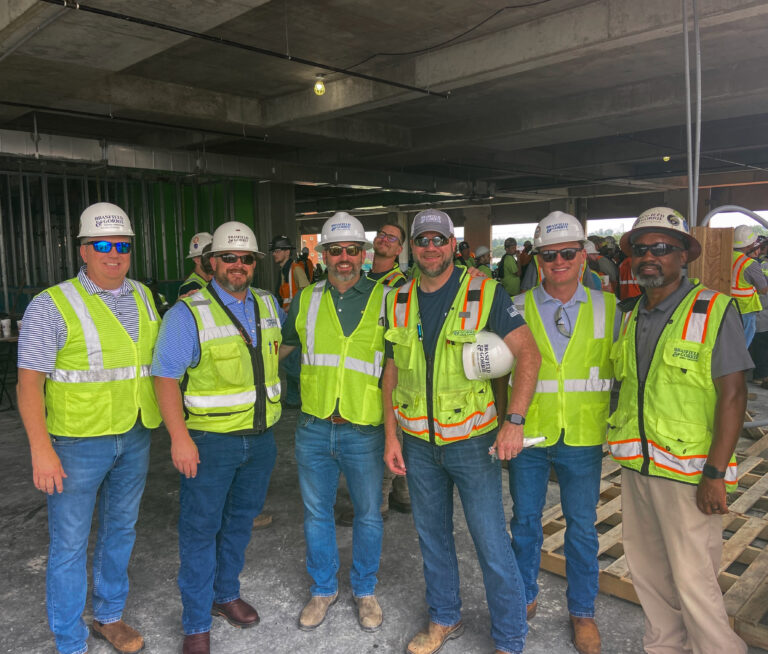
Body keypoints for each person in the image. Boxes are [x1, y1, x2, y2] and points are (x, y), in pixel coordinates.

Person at [382, 209, 541, 654]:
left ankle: (510, 638)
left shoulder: (485, 292)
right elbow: (391, 370)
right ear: (411, 248)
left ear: (454, 245)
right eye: (421, 241)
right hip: (416, 442)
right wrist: (392, 437)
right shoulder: (396, 298)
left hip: (472, 443)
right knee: (432, 538)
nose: (430, 248)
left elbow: (528, 356)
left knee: (490, 541)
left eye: (439, 240)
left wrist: (514, 421)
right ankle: (444, 619)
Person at [17, 202, 161, 654]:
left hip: (135, 435)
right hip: (77, 442)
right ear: (83, 250)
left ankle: (109, 616)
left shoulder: (143, 295)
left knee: (121, 530)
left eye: (122, 245)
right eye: (102, 244)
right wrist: (41, 449)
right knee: (69, 546)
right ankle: (69, 640)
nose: (113, 253)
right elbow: (28, 384)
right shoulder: (51, 304)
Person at [608, 207, 750, 654]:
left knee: (693, 581)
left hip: (689, 475)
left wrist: (715, 473)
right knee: (648, 573)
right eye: (642, 249)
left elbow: (734, 396)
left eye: (662, 249)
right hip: (637, 467)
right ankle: (664, 648)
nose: (650, 257)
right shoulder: (632, 315)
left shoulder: (713, 309)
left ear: (683, 256)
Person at [152, 221, 285, 654]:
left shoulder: (267, 303)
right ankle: (195, 623)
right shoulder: (187, 312)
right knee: (199, 530)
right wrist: (179, 438)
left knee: (238, 525)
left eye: (246, 259)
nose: (238, 265)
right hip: (210, 443)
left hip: (260, 440)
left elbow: (274, 349)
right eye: (229, 257)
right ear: (212, 262)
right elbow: (166, 378)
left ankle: (225, 595)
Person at [507, 212, 614, 654]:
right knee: (525, 522)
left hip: (584, 437)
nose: (559, 261)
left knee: (582, 528)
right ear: (537, 259)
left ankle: (582, 611)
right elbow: (499, 375)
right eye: (549, 255)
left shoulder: (611, 310)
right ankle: (524, 596)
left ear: (584, 255)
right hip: (530, 436)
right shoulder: (515, 307)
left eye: (568, 252)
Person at [280, 211, 390, 634]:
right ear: (322, 254)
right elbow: (286, 347)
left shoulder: (385, 299)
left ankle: (365, 590)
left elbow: (399, 364)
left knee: (367, 514)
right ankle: (323, 589)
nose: (343, 258)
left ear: (364, 253)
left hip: (364, 427)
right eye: (334, 250)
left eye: (351, 250)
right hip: (313, 425)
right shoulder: (307, 299)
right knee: (316, 514)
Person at [337, 221, 409, 528]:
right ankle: (403, 494)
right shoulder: (363, 278)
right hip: (366, 369)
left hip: (390, 368)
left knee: (386, 435)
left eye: (392, 238)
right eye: (381, 234)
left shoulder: (400, 285)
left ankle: (376, 501)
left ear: (399, 249)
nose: (384, 239)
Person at [270, 234, 309, 409]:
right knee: (291, 360)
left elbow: (305, 293)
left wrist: (291, 309)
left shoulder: (296, 269)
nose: (274, 254)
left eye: (277, 250)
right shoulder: (284, 270)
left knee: (292, 360)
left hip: (293, 321)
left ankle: (302, 396)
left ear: (287, 252)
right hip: (287, 319)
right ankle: (293, 398)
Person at [731, 224, 768, 347]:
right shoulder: (749, 264)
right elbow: (763, 290)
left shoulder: (725, 258)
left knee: (731, 343)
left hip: (728, 307)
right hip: (745, 309)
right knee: (742, 346)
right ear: (749, 245)